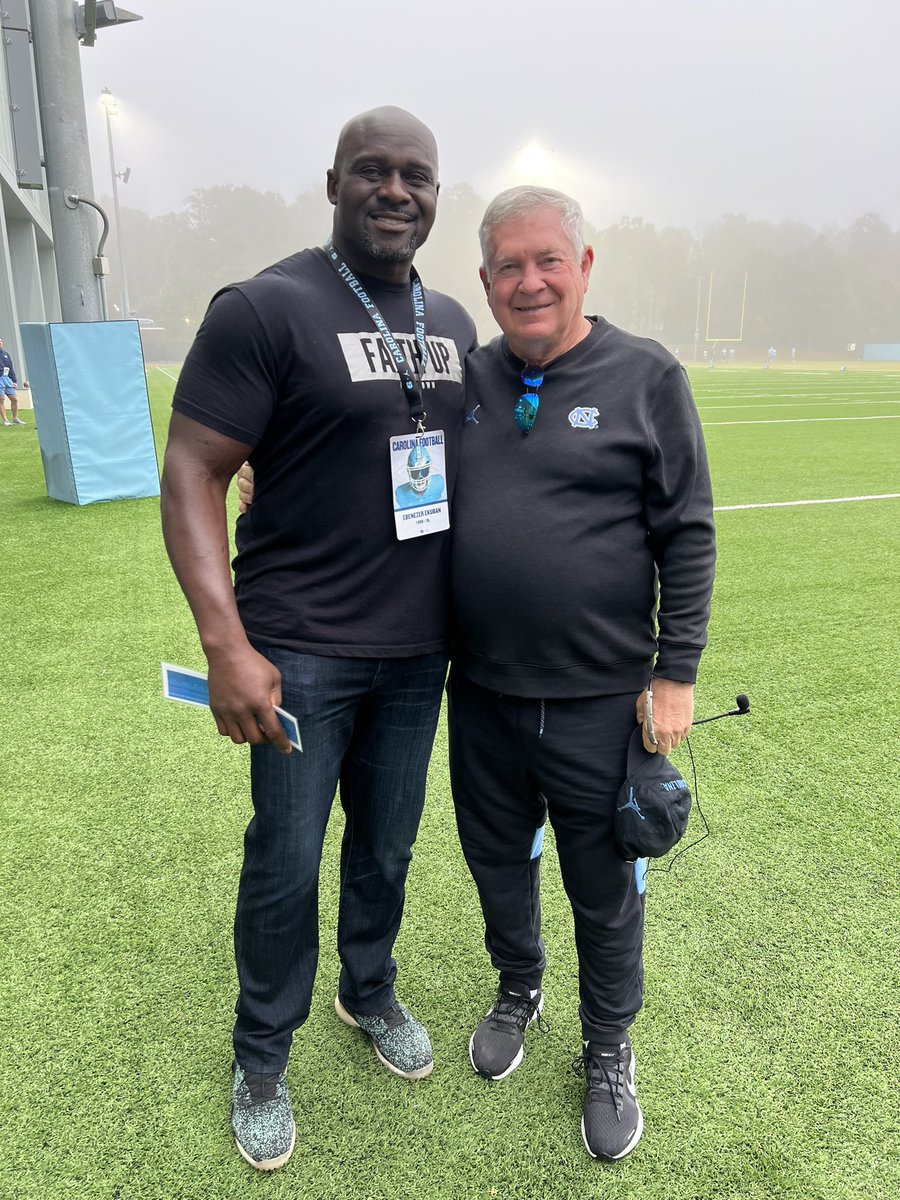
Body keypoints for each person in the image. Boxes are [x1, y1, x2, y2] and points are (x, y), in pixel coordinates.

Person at [160, 106, 476, 1172]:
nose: (397, 191)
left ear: (438, 193)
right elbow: (194, 469)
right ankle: (260, 1055)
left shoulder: (453, 318)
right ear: (334, 181)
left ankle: (367, 989)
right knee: (287, 862)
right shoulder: (266, 305)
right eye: (374, 172)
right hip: (298, 649)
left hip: (417, 652)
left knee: (387, 848)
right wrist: (225, 643)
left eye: (417, 176)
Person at [448, 186, 716, 1162]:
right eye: (508, 267)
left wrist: (675, 673)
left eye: (547, 260)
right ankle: (519, 986)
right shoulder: (464, 380)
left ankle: (608, 1047)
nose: (529, 281)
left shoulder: (647, 375)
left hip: (602, 704)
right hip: (478, 696)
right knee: (497, 865)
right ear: (484, 282)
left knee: (603, 891)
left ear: (585, 266)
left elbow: (687, 530)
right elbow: (385, 468)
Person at [0, 338, 24, 425]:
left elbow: (11, 368)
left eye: (1, 341)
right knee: (1, 399)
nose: (0, 343)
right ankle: (6, 420)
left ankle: (15, 418)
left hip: (7, 378)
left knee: (15, 399)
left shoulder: (5, 354)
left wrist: (14, 380)